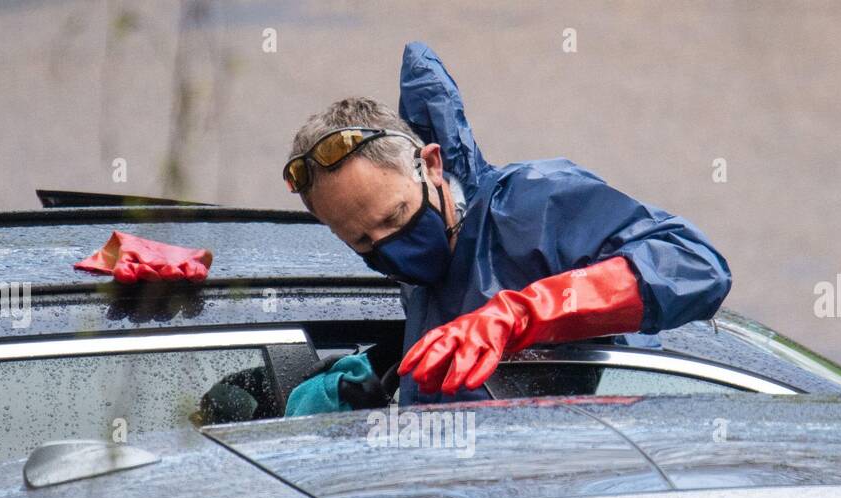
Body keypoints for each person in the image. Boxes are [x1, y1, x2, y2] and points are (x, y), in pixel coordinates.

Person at [281, 41, 731, 413]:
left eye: (395, 217)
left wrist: (520, 314)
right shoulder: (426, 271)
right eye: (361, 240)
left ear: (432, 166)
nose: (389, 248)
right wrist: (379, 374)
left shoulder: (533, 206)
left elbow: (694, 266)